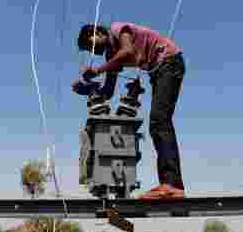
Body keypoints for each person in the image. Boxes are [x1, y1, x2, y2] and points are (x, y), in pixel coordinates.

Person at [76, 22, 186, 200]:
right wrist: (88, 89)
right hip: (160, 69)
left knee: (159, 122)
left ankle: (172, 184)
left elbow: (128, 52)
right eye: (88, 49)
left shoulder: (118, 29)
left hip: (169, 61)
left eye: (90, 44)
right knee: (159, 122)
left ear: (97, 32)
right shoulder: (112, 55)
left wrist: (97, 70)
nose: (92, 50)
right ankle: (171, 183)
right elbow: (108, 92)